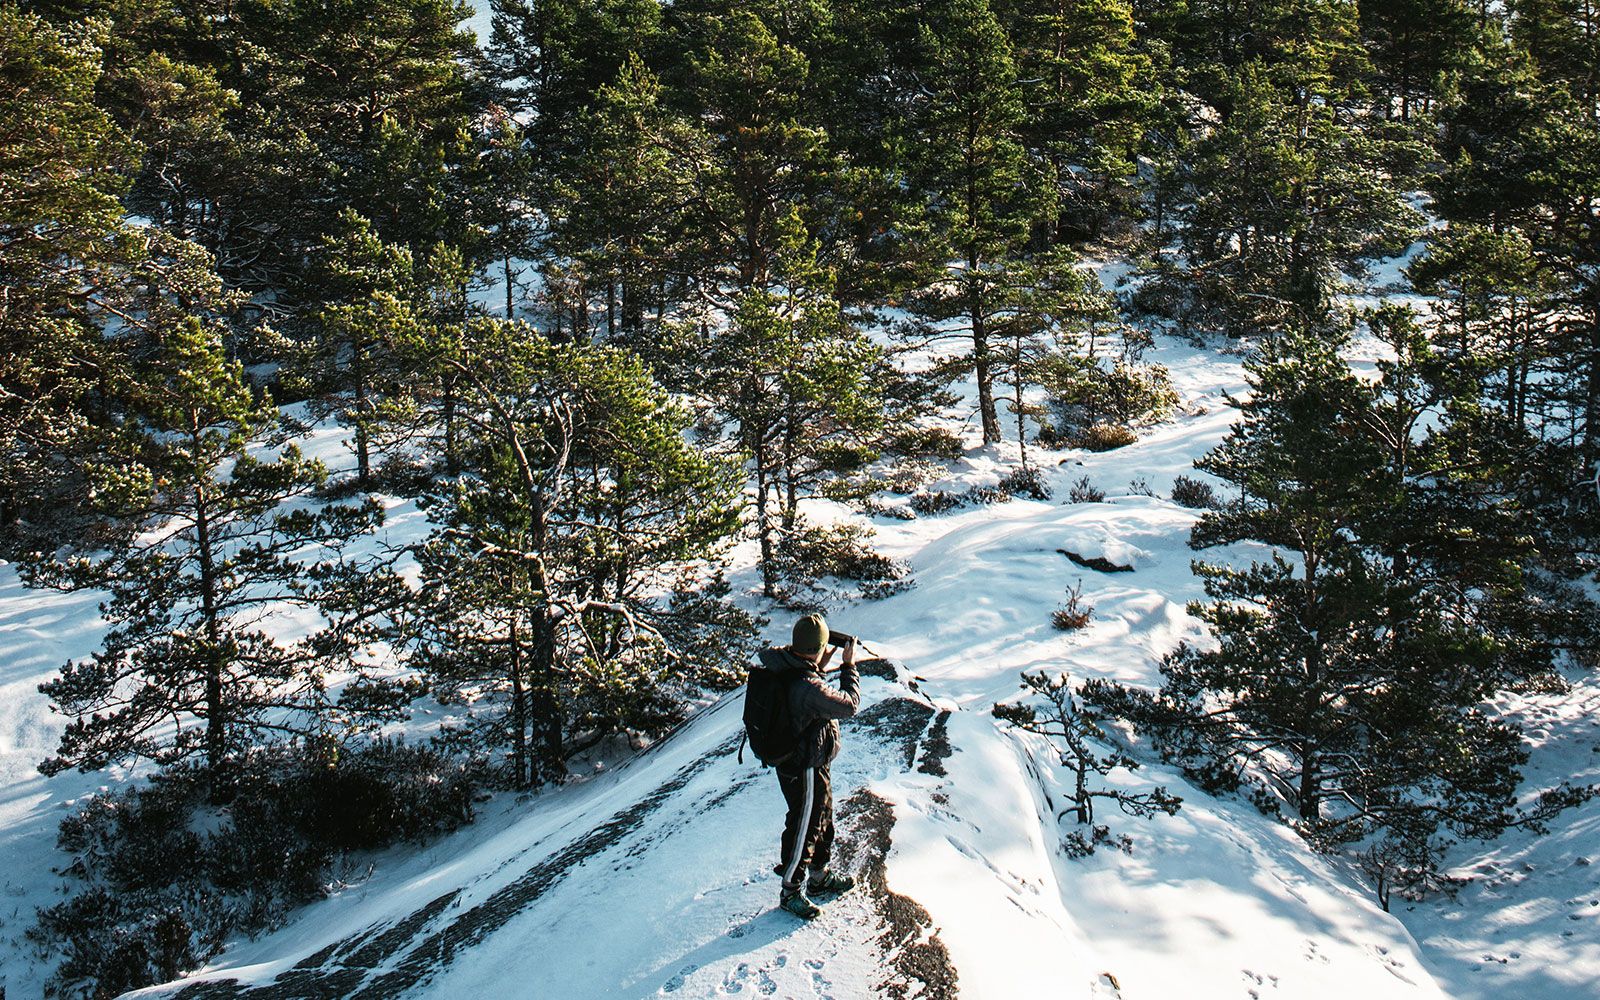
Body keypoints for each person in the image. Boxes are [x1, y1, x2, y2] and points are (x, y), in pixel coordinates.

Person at [753, 613, 861, 919]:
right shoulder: (808, 686)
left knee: (821, 817)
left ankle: (819, 877)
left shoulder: (786, 665)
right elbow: (849, 705)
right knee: (806, 825)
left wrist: (818, 665)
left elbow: (802, 691)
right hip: (805, 766)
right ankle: (791, 891)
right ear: (818, 646)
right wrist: (849, 666)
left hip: (796, 760)